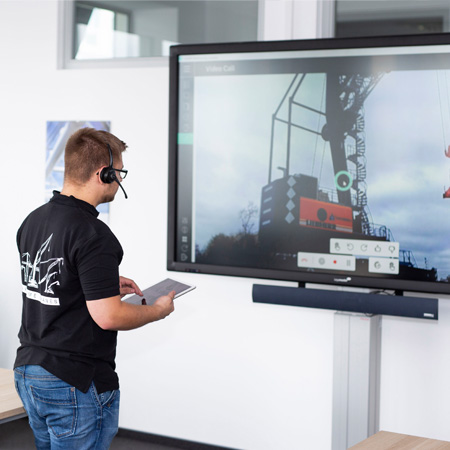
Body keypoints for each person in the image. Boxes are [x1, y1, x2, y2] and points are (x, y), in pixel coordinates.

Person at [14, 127, 175, 449]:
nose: (120, 182)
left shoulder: (34, 220)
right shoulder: (93, 234)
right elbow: (108, 316)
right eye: (120, 173)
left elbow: (53, 278)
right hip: (74, 380)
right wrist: (157, 310)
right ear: (105, 173)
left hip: (31, 371)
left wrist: (100, 283)